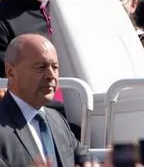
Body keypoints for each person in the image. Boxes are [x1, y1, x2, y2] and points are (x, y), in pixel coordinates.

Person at [0, 34, 92, 166]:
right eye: (41, 67)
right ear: (11, 72)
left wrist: (88, 163)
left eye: (55, 67)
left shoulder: (57, 119)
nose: (51, 75)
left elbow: (83, 155)